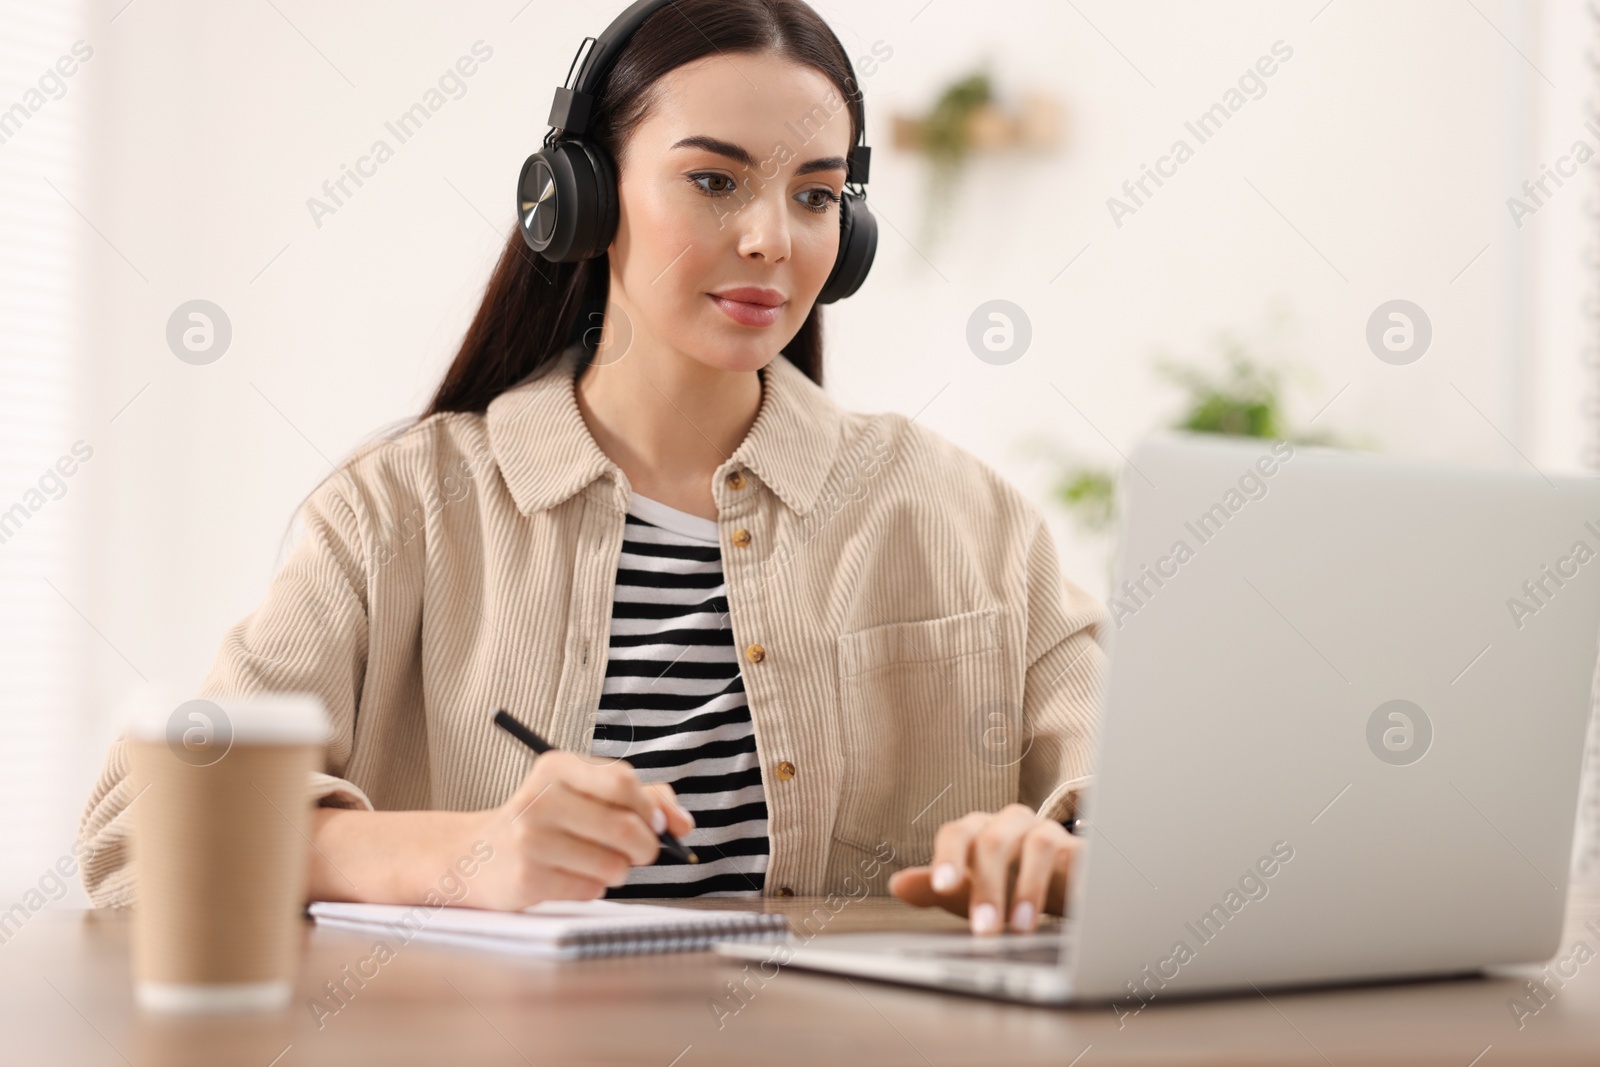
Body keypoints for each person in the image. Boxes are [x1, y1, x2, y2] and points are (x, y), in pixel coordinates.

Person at [78, 0, 1106, 938]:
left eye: (815, 195)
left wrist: (1061, 857)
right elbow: (141, 836)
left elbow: (1162, 807)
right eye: (714, 179)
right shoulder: (399, 513)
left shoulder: (963, 516)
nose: (770, 239)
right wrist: (461, 855)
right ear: (583, 195)